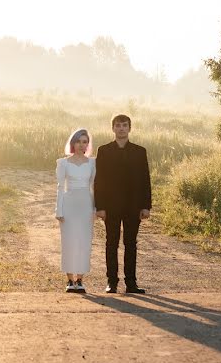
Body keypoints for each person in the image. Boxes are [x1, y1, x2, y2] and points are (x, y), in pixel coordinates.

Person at [94, 114, 151, 294]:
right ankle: (112, 282)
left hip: (133, 206)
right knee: (111, 243)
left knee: (130, 244)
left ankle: (131, 283)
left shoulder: (139, 151)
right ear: (113, 128)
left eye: (124, 125)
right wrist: (100, 206)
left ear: (129, 128)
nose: (121, 128)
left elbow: (145, 180)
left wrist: (146, 206)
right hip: (110, 206)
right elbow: (99, 180)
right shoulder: (103, 151)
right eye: (118, 125)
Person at [54, 128, 96, 293]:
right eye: (78, 141)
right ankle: (70, 280)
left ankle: (80, 279)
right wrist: (59, 209)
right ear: (73, 143)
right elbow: (59, 187)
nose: (81, 144)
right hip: (69, 203)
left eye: (84, 141)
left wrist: (95, 208)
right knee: (69, 242)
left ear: (88, 144)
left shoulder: (93, 163)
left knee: (84, 242)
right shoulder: (63, 163)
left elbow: (94, 186)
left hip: (86, 204)